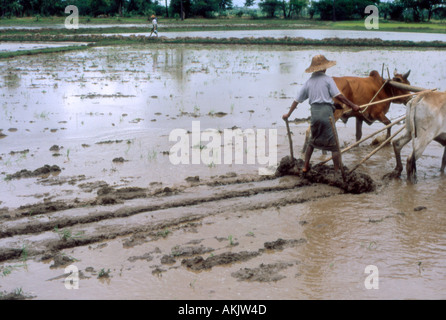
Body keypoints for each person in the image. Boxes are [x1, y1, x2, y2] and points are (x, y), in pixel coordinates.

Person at [282, 54, 360, 175]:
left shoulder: (308, 82)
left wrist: (288, 114)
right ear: (324, 68)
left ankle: (305, 166)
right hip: (326, 115)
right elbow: (338, 96)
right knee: (334, 145)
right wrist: (353, 105)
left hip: (315, 114)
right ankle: (336, 171)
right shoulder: (328, 80)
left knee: (312, 142)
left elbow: (297, 100)